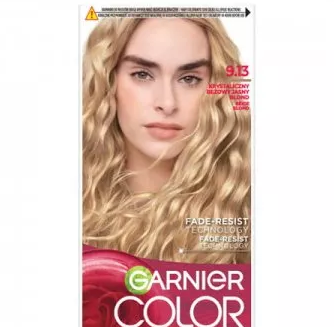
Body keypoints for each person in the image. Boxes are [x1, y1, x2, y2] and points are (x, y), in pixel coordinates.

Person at [82, 18, 251, 263]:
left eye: (189, 79)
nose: (167, 103)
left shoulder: (244, 209)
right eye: (142, 74)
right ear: (108, 81)